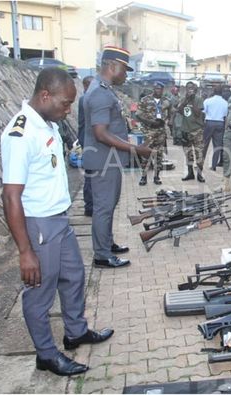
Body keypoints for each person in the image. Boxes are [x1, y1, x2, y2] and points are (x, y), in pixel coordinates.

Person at [1, 68, 114, 376]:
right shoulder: (20, 134)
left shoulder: (47, 123)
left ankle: (75, 332)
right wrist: (25, 251)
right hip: (39, 226)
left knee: (74, 276)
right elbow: (10, 197)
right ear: (45, 95)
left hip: (59, 220)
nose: (68, 110)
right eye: (65, 103)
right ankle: (46, 355)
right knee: (40, 292)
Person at [83, 46, 152, 268]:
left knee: (108, 205)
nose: (126, 74)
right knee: (103, 207)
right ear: (112, 66)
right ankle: (102, 255)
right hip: (104, 160)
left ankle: (107, 244)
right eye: (124, 69)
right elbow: (100, 133)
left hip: (107, 159)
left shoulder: (103, 89)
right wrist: (135, 149)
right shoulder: (101, 93)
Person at [136, 81, 171, 186]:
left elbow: (171, 111)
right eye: (156, 88)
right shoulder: (145, 100)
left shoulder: (166, 101)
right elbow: (138, 115)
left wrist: (169, 120)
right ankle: (143, 177)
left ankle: (157, 176)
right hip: (149, 131)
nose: (158, 90)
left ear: (163, 90)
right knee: (146, 154)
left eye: (160, 89)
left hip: (161, 132)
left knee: (159, 155)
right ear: (153, 89)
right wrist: (150, 122)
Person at [178, 81, 205, 183]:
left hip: (197, 130)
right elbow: (179, 111)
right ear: (186, 89)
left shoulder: (199, 99)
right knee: (188, 154)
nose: (190, 90)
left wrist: (192, 100)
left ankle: (200, 174)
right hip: (186, 130)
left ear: (195, 89)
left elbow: (198, 114)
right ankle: (190, 173)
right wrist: (186, 100)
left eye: (192, 88)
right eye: (188, 88)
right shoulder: (183, 99)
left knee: (199, 154)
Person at [77, 75, 94, 216]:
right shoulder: (86, 100)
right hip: (88, 142)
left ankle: (90, 204)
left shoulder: (85, 99)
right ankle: (89, 205)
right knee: (90, 175)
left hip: (86, 140)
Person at [203, 84, 229, 172]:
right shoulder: (225, 103)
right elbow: (225, 115)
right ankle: (214, 165)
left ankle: (200, 163)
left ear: (213, 91)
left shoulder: (208, 101)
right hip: (220, 123)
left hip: (209, 122)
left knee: (205, 144)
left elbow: (203, 112)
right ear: (222, 92)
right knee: (217, 146)